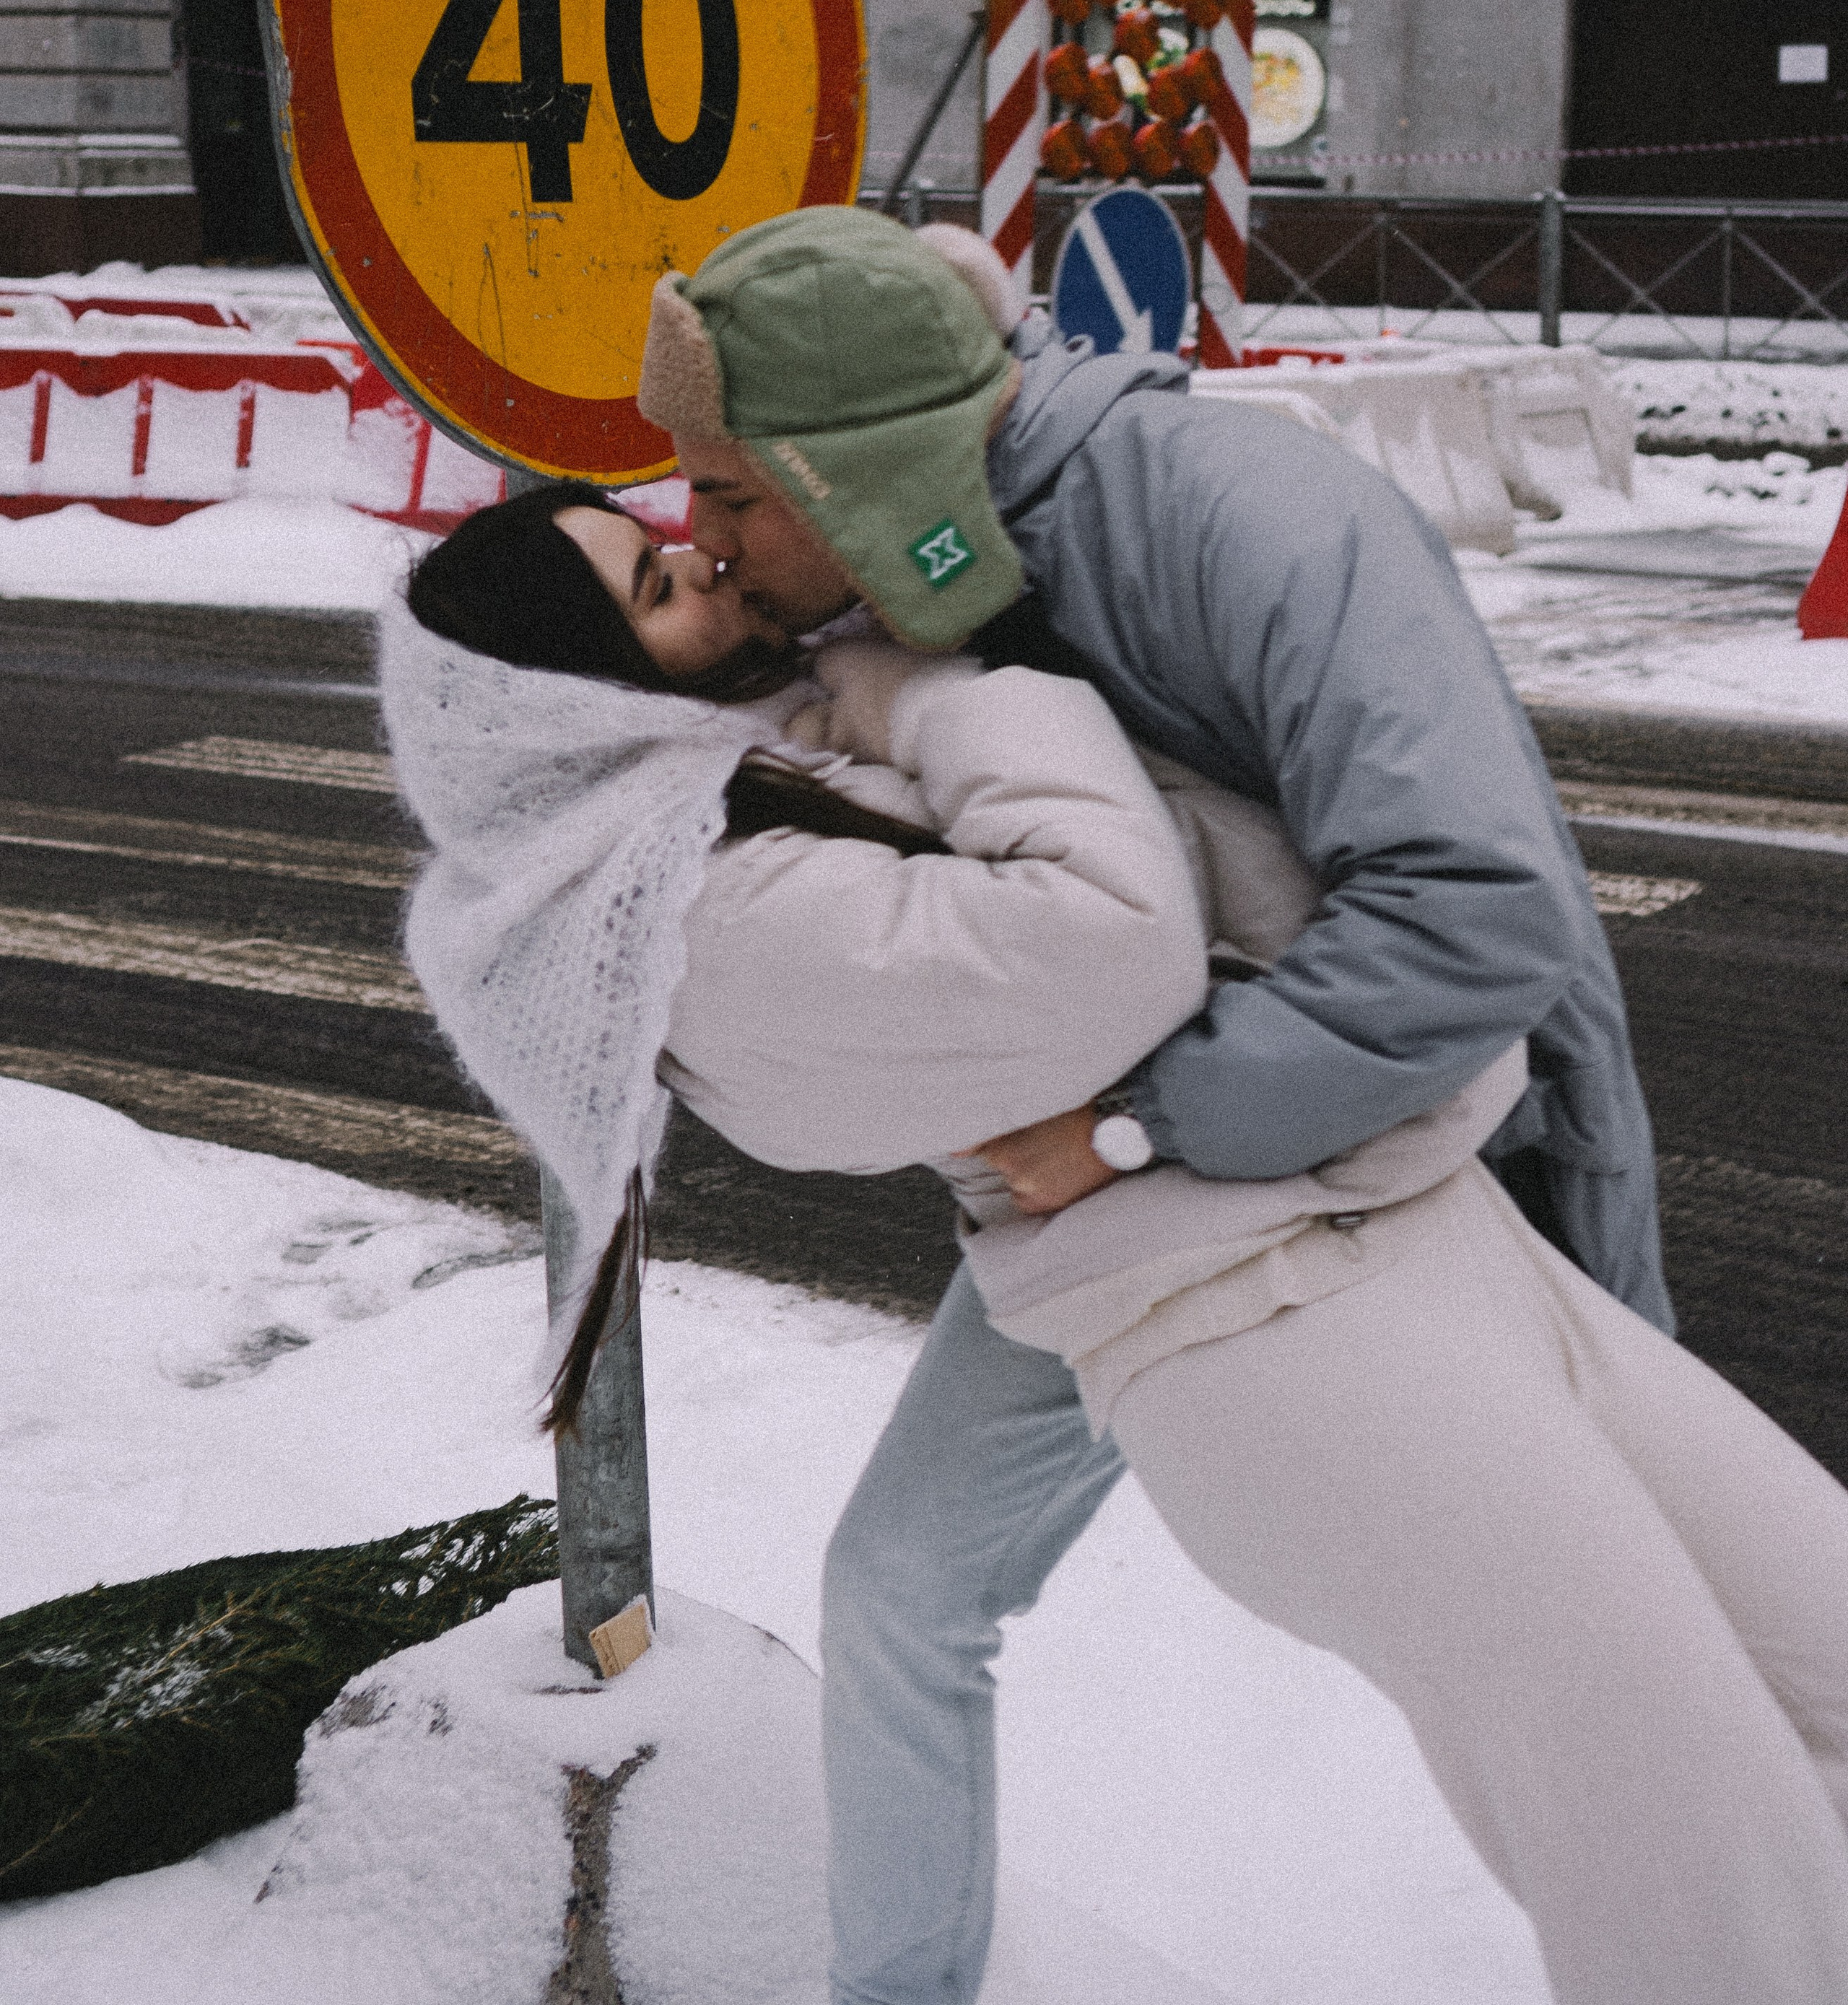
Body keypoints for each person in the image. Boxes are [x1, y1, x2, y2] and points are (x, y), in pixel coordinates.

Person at [383, 484, 1848, 2005]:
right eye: (647, 586)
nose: (695, 556)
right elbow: (1115, 940)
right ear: (578, 697)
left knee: (1818, 1673)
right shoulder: (716, 925)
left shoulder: (786, 755)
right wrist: (933, 686)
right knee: (1692, 1856)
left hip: (1429, 1230)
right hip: (1278, 1329)